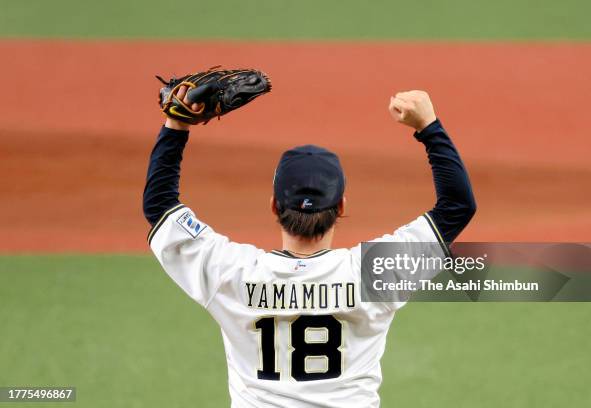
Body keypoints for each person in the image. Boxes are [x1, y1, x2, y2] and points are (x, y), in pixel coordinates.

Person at [143, 85, 476, 407]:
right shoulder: (373, 274)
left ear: (274, 205)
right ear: (341, 206)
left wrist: (177, 122)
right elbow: (457, 206)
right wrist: (428, 127)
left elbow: (159, 207)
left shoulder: (232, 273)